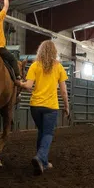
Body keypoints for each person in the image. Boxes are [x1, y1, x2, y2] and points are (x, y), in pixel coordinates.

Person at [20, 40, 71, 176]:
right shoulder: (58, 67)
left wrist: (19, 83)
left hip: (35, 106)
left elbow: (28, 86)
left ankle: (43, 162)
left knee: (42, 131)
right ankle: (40, 157)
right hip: (50, 107)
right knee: (48, 133)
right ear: (54, 52)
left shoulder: (35, 66)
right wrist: (67, 106)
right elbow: (64, 91)